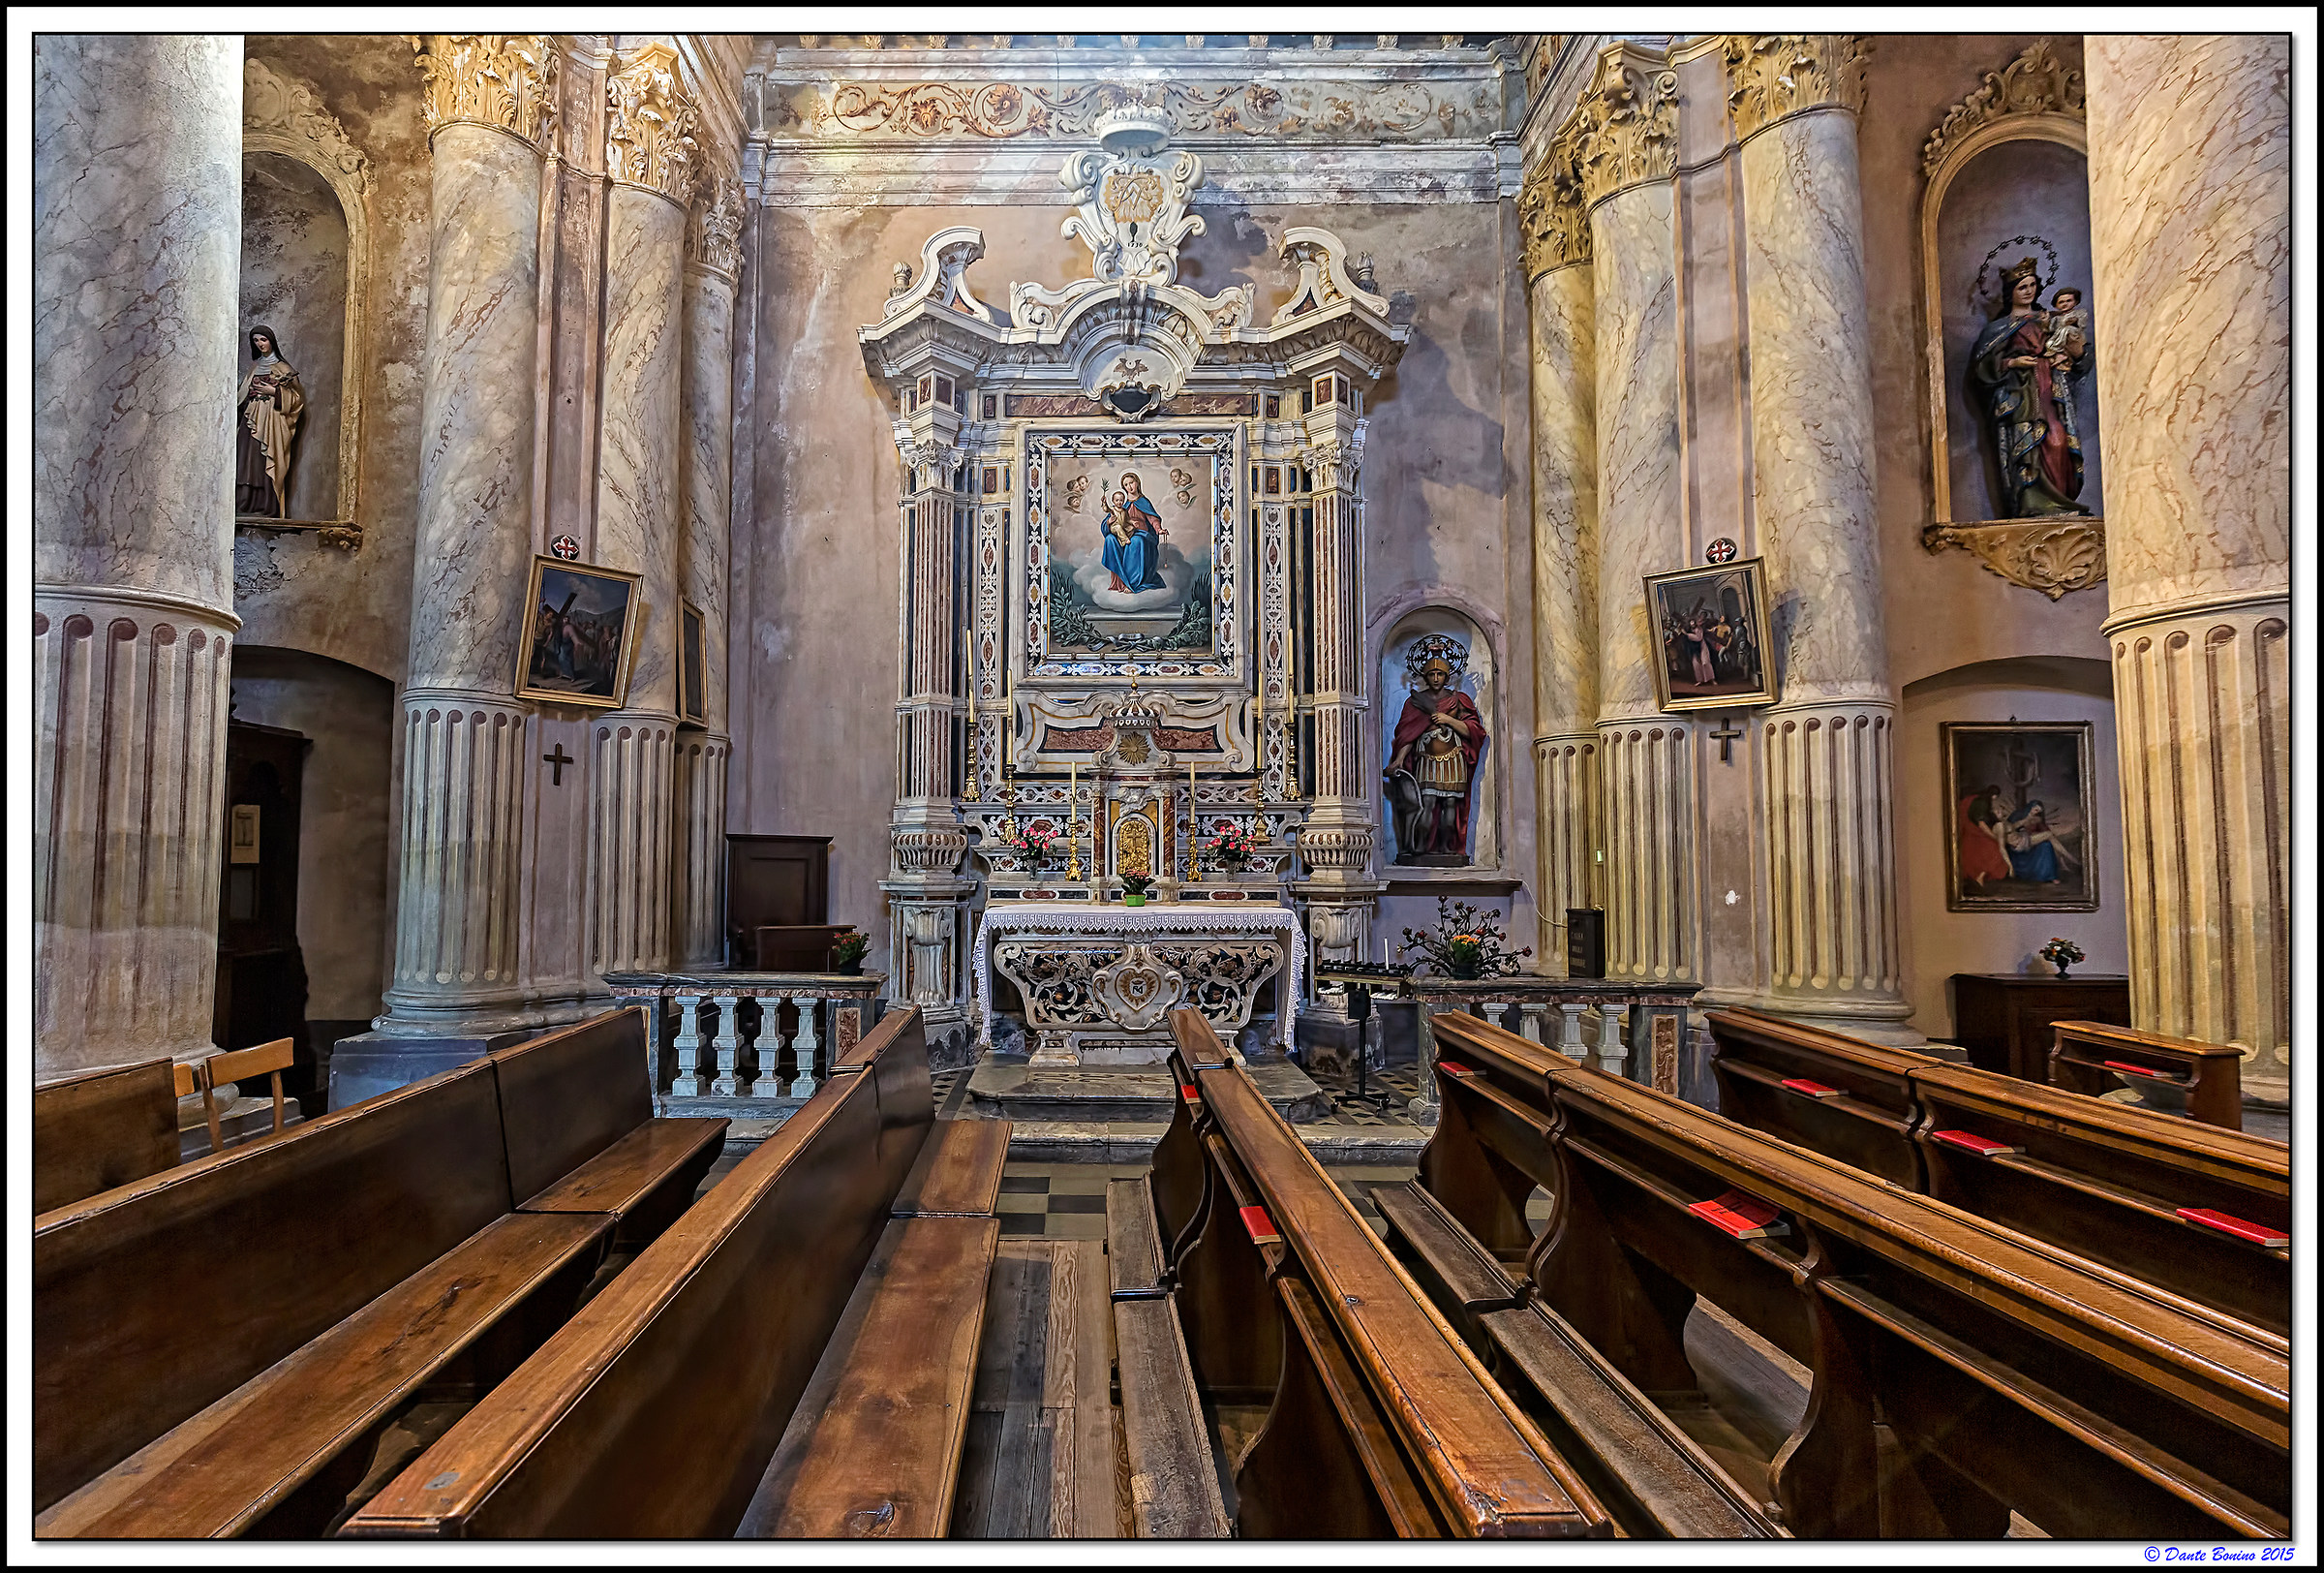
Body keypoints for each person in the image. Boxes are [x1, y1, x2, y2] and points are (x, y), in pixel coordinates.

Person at [1969, 259, 2090, 517]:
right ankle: (2031, 505)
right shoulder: (1998, 328)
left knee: (2057, 440)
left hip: (2050, 389)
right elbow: (1982, 368)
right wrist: (2013, 362)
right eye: (2022, 287)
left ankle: (2060, 502)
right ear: (2010, 292)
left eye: (2032, 285)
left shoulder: (2049, 320)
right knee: (2027, 444)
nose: (2029, 291)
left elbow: (2079, 357)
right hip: (2019, 393)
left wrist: (2070, 353)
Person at [1387, 656, 1486, 862]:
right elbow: (1409, 735)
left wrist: (1448, 719)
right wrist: (1399, 760)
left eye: (1440, 674)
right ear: (1425, 676)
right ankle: (1420, 847)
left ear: (1447, 677)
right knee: (1426, 804)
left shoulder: (1459, 700)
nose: (1435, 678)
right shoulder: (1414, 702)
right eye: (1431, 674)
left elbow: (1474, 731)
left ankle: (1448, 848)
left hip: (1453, 760)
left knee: (1450, 806)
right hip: (1428, 760)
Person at [234, 324, 304, 517]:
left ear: (271, 341)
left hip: (272, 421)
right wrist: (248, 394)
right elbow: (241, 396)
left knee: (266, 459)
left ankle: (267, 505)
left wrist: (275, 392)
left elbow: (297, 400)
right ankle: (244, 502)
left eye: (263, 340)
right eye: (256, 340)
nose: (260, 344)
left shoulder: (284, 368)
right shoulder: (254, 367)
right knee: (246, 459)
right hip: (251, 419)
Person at [1100, 471, 1167, 593]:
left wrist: (1159, 529)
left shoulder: (1143, 502)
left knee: (1135, 541)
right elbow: (1107, 521)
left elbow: (1153, 519)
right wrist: (1109, 522)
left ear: (1137, 483)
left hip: (1141, 534)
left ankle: (1133, 583)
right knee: (1110, 539)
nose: (1129, 487)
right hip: (1124, 533)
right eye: (1126, 485)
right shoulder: (1121, 503)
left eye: (1131, 483)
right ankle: (1120, 582)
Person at [1956, 784, 2015, 892]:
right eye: (1995, 796)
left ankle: (1980, 877)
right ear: (1993, 795)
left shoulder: (1984, 803)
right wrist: (1993, 837)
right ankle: (1979, 877)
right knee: (1993, 852)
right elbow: (1981, 824)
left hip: (1978, 828)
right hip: (1975, 829)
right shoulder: (1983, 803)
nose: (2000, 812)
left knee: (1993, 852)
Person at [2005, 800, 2078, 885]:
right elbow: (2010, 828)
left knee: (2048, 842)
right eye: (2035, 809)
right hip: (2018, 842)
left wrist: (2036, 832)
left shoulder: (2037, 819)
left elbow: (2044, 830)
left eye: (2039, 811)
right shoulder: (2019, 815)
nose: (2036, 812)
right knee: (2049, 835)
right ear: (2030, 807)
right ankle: (2068, 857)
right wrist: (2026, 820)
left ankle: (2055, 871)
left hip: (2029, 841)